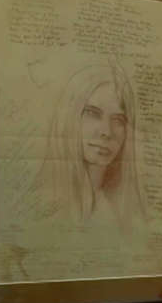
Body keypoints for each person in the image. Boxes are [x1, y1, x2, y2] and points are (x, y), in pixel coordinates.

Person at [31, 61, 148, 233]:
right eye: (93, 114)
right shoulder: (36, 207)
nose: (106, 132)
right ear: (69, 117)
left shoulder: (129, 219)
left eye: (118, 120)